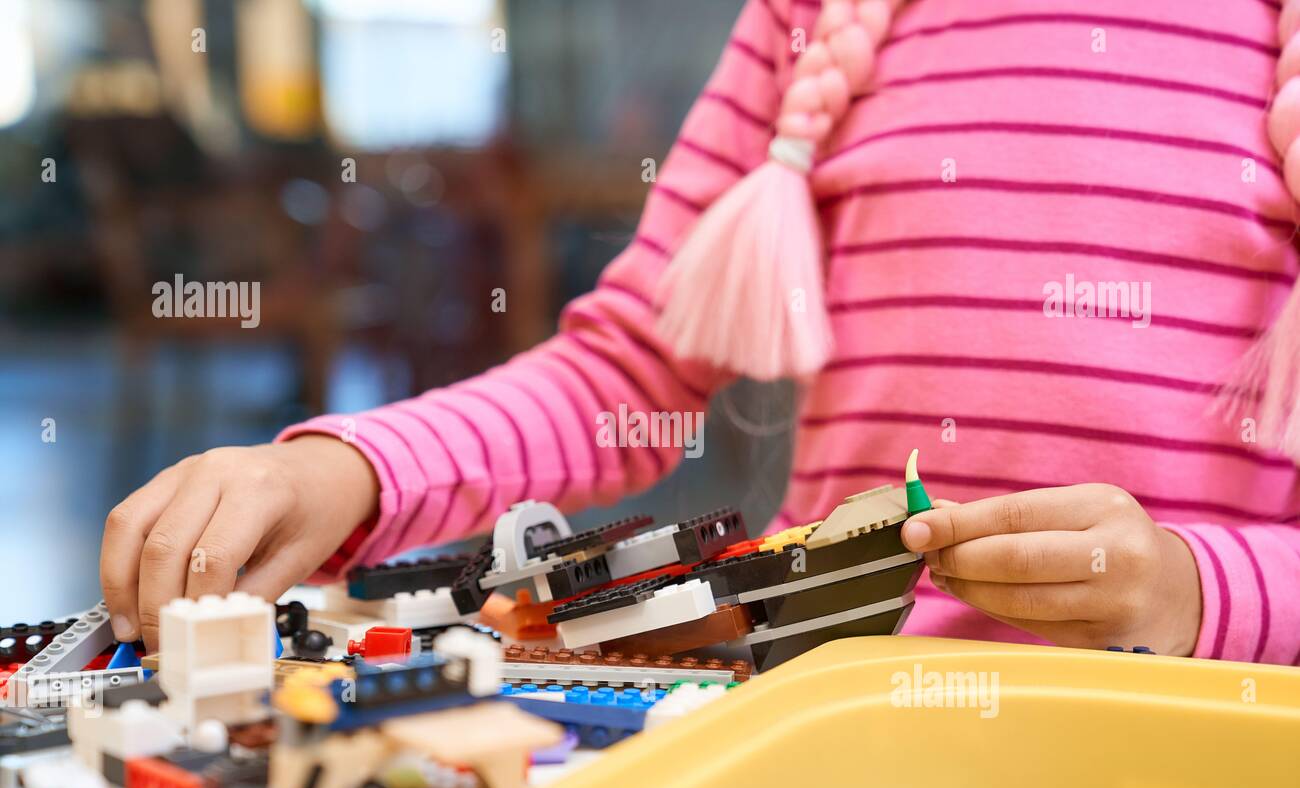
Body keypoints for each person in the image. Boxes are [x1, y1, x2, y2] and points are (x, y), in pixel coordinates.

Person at [100, 0, 1300, 665]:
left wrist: (1201, 593)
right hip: (819, 718)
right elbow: (624, 374)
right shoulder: (813, 17)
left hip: (1202, 754)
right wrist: (342, 467)